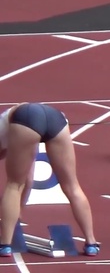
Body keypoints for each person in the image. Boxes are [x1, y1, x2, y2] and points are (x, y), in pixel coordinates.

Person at [0, 103, 100, 257]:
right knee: (72, 186)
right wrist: (17, 212)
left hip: (27, 118)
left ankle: (5, 244)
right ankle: (91, 242)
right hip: (56, 118)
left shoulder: (7, 126)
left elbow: (20, 179)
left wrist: (13, 215)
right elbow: (29, 177)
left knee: (13, 185)